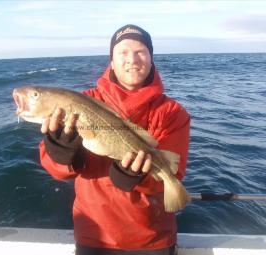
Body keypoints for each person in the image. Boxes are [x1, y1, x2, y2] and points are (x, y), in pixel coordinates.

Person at [39, 24, 190, 255]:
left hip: (151, 238)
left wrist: (140, 179)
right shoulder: (82, 101)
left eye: (140, 51)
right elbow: (56, 170)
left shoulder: (172, 113)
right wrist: (62, 154)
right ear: (111, 60)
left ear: (151, 58)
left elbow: (173, 175)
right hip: (94, 233)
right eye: (123, 52)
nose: (132, 59)